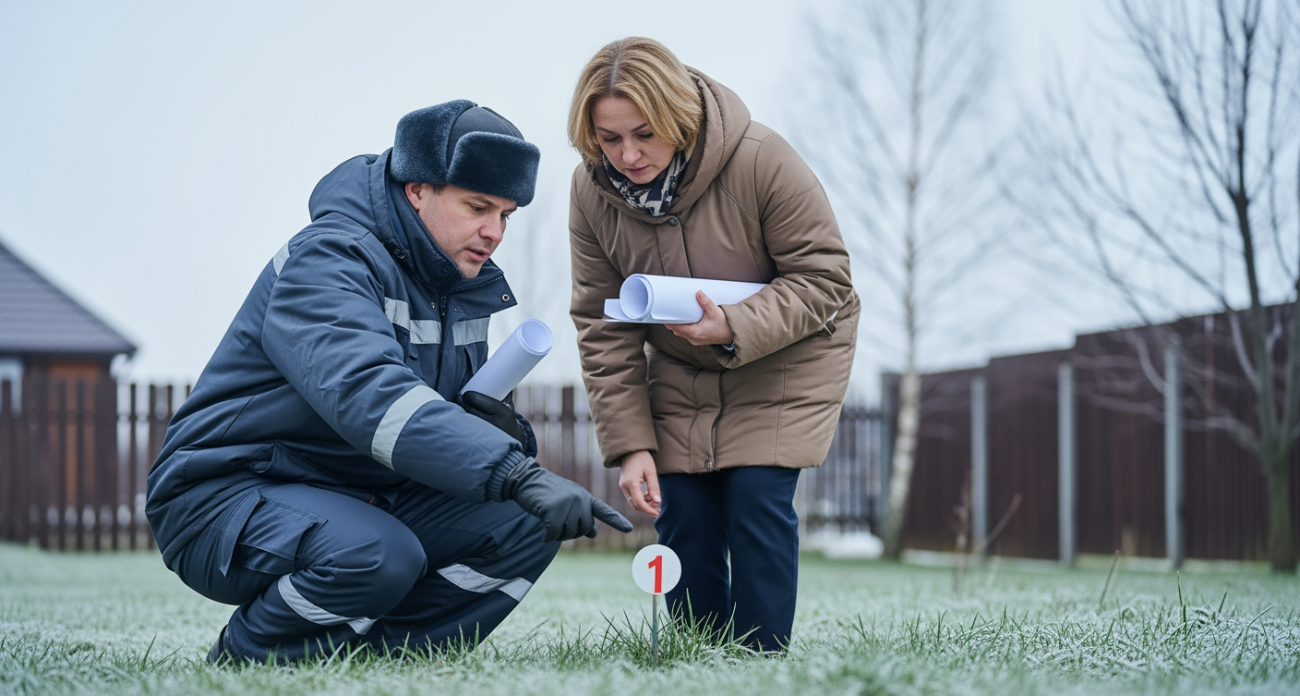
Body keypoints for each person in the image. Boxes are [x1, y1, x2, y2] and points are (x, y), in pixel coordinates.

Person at [147, 100, 631, 664]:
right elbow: (371, 398)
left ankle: (385, 664)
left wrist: (498, 430)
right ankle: (246, 656)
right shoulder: (329, 259)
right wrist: (512, 471)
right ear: (416, 189)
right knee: (378, 554)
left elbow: (428, 419)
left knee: (525, 522)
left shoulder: (457, 286)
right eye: (478, 207)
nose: (495, 232)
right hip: (224, 495)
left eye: (506, 215)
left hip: (357, 492)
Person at [567, 38, 858, 652]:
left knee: (755, 499)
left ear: (677, 115)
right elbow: (602, 323)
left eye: (644, 134)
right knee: (684, 512)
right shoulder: (590, 192)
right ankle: (699, 656)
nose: (627, 155)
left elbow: (826, 280)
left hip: (782, 356)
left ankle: (759, 659)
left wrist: (734, 325)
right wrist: (632, 444)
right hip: (680, 364)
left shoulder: (762, 159)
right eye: (609, 139)